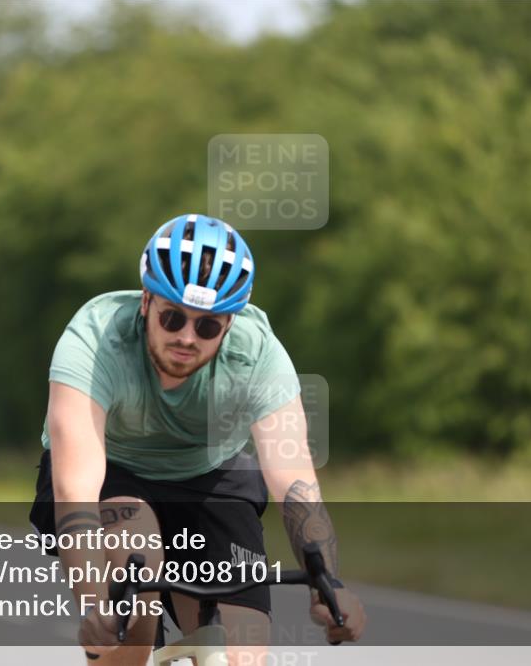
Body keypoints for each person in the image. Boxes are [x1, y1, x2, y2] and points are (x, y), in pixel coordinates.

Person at [31, 214, 366, 665]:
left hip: (209, 476)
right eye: (172, 318)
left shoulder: (258, 354)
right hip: (114, 470)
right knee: (134, 606)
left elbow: (294, 483)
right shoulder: (94, 338)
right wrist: (94, 604)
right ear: (146, 301)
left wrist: (327, 583)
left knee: (240, 655)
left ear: (229, 324)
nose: (187, 337)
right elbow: (77, 488)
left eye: (207, 327)